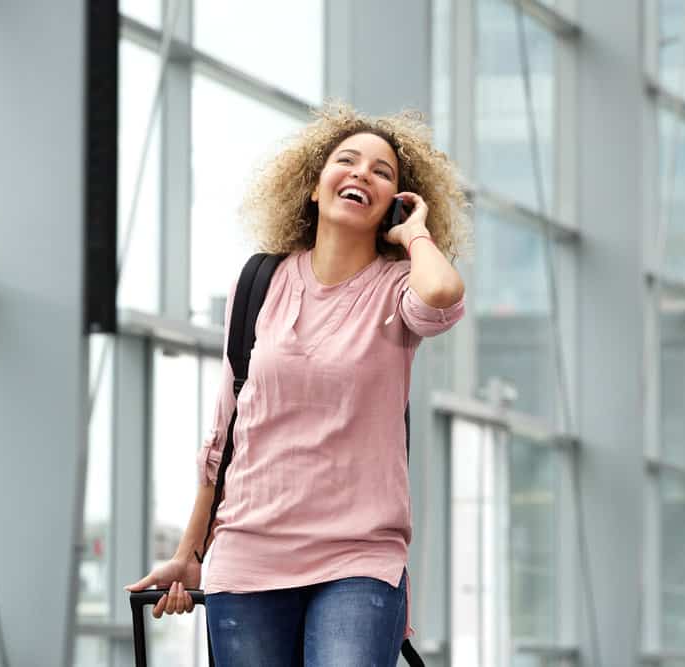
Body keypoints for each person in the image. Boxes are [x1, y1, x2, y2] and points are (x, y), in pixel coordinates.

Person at [125, 100, 470, 666]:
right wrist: (191, 552)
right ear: (314, 186)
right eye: (348, 160)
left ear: (394, 203)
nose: (362, 173)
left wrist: (415, 236)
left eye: (383, 172)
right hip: (250, 550)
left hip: (359, 557)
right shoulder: (260, 280)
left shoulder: (398, 288)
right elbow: (226, 433)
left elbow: (440, 295)